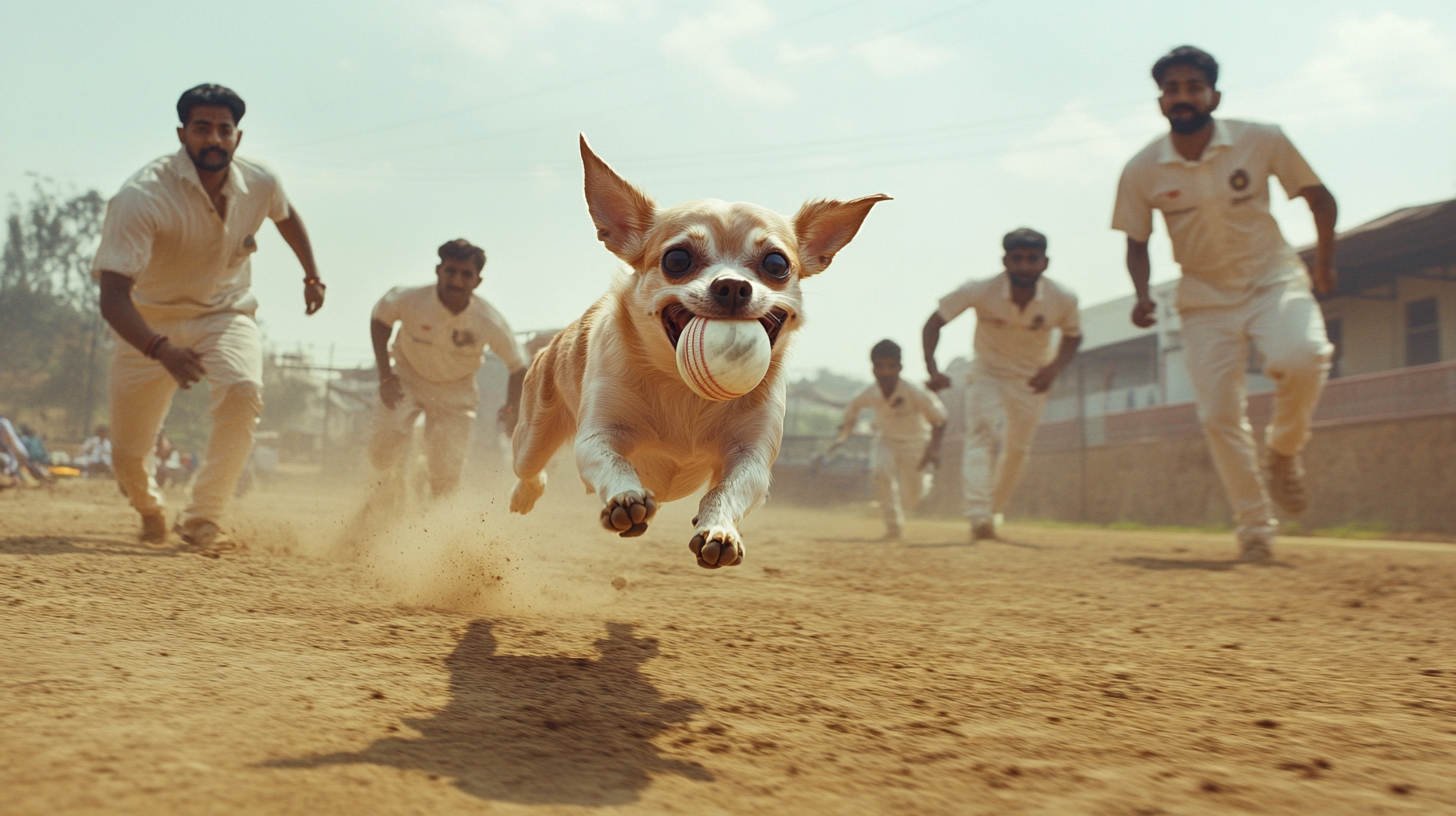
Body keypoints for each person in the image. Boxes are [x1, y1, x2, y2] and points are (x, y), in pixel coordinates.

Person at [1111, 46, 1337, 562]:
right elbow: (1136, 242)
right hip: (1203, 297)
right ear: (1160, 101)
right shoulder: (1142, 168)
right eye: (1172, 89)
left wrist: (1325, 264)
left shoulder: (1262, 139)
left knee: (1303, 357)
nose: (1183, 96)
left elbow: (1321, 199)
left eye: (1194, 86)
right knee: (1217, 414)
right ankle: (1255, 526)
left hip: (1272, 278)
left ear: (1215, 94)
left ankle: (1282, 450)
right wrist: (1143, 295)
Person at [92, 83, 326, 550]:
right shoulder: (141, 196)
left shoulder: (261, 181)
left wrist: (311, 275)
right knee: (128, 456)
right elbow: (113, 296)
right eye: (203, 128)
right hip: (148, 323)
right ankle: (150, 509)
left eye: (225, 129)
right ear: (182, 134)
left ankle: (204, 518)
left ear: (238, 136)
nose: (214, 140)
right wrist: (160, 349)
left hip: (225, 313)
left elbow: (284, 214)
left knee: (243, 391)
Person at [923, 228, 1082, 542]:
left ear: (1044, 262)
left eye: (1032, 259)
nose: (1025, 266)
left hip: (1032, 380)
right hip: (987, 374)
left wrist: (1053, 369)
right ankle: (978, 513)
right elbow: (934, 322)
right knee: (981, 435)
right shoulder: (980, 290)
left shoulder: (1063, 298)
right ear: (1005, 260)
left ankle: (992, 511)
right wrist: (933, 368)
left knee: (1018, 450)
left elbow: (1073, 337)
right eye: (1017, 258)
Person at [369, 239, 527, 497]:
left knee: (445, 474)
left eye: (466, 274)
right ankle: (387, 496)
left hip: (457, 392)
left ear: (477, 282)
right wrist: (386, 376)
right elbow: (380, 319)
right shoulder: (409, 299)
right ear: (437, 271)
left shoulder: (489, 321)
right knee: (381, 452)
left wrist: (512, 408)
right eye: (450, 271)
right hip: (406, 378)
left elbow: (518, 366)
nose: (456, 280)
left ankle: (434, 527)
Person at [829, 340, 947, 540]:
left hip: (916, 445)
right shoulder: (869, 392)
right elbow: (852, 410)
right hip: (886, 441)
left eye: (890, 366)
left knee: (915, 496)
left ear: (899, 367)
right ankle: (893, 527)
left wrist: (933, 449)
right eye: (879, 366)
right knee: (880, 472)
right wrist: (843, 436)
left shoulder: (916, 392)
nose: (885, 372)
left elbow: (940, 420)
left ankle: (896, 502)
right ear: (873, 368)